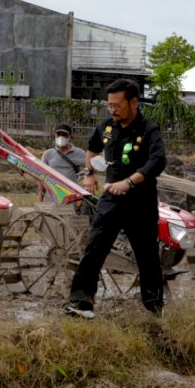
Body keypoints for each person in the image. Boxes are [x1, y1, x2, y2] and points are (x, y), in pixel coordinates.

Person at [64, 79, 167, 319]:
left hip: (140, 202)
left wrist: (129, 182)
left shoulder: (149, 130)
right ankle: (81, 303)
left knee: (147, 258)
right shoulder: (106, 127)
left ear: (133, 102)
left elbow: (157, 161)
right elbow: (91, 148)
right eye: (109, 105)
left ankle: (153, 310)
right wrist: (89, 173)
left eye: (117, 105)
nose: (112, 110)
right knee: (95, 248)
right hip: (111, 200)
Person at [38, 122, 86, 202]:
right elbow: (41, 177)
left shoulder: (80, 153)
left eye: (64, 135)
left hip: (72, 198)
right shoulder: (48, 154)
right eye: (58, 134)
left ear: (70, 137)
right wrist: (40, 198)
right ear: (55, 136)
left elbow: (90, 168)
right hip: (51, 199)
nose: (61, 137)